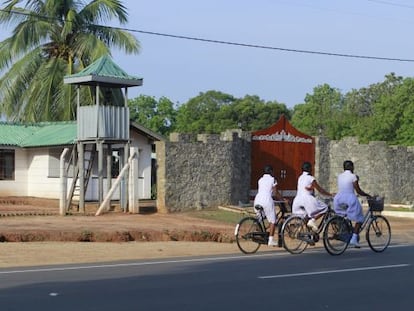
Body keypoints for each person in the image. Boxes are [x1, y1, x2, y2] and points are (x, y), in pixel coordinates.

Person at [334, 160, 371, 248]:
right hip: (349, 199)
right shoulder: (353, 176)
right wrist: (367, 195)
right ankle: (354, 238)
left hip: (338, 199)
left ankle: (348, 233)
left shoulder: (340, 176)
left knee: (345, 216)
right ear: (351, 167)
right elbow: (358, 190)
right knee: (360, 218)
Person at [292, 161, 333, 232]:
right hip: (307, 199)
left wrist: (311, 188)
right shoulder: (311, 178)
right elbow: (320, 190)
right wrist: (330, 194)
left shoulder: (300, 177)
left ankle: (308, 234)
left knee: (306, 216)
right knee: (325, 208)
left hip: (297, 200)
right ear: (310, 169)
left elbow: (305, 187)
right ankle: (313, 220)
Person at [253, 165, 286, 247]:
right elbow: (275, 193)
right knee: (273, 220)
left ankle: (261, 233)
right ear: (271, 171)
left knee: (260, 217)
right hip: (267, 200)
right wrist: (283, 199)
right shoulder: (272, 179)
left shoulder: (260, 180)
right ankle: (270, 240)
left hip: (257, 199)